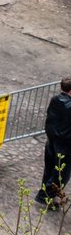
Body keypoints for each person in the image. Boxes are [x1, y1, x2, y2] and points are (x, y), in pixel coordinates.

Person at [36, 77, 71, 209]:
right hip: (64, 146)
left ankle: (49, 194)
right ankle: (45, 197)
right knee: (61, 174)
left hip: (52, 141)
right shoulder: (69, 106)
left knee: (50, 170)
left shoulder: (55, 100)